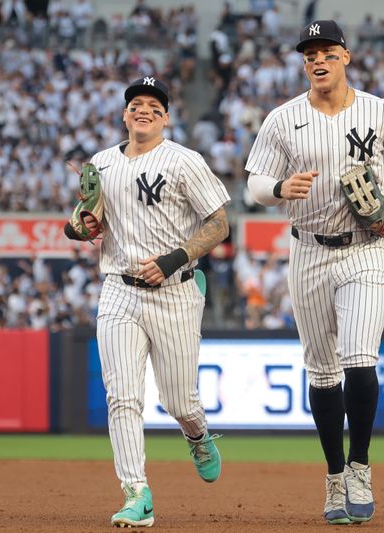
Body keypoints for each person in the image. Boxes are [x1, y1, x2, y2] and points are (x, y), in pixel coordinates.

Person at [245, 20, 384, 525]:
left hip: (366, 249)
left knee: (360, 359)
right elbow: (254, 185)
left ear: (345, 56)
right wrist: (281, 189)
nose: (317, 59)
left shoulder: (381, 111)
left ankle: (361, 466)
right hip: (307, 250)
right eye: (309, 54)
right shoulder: (284, 119)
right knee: (322, 373)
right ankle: (332, 477)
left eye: (326, 50)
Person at [66, 75, 231, 527]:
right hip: (118, 288)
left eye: (154, 106)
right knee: (122, 397)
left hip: (175, 290)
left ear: (166, 118)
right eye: (136, 103)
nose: (143, 110)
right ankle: (136, 493)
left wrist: (175, 257)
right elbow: (86, 221)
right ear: (124, 114)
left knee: (180, 400)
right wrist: (82, 225)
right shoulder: (101, 163)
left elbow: (219, 224)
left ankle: (196, 434)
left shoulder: (184, 160)